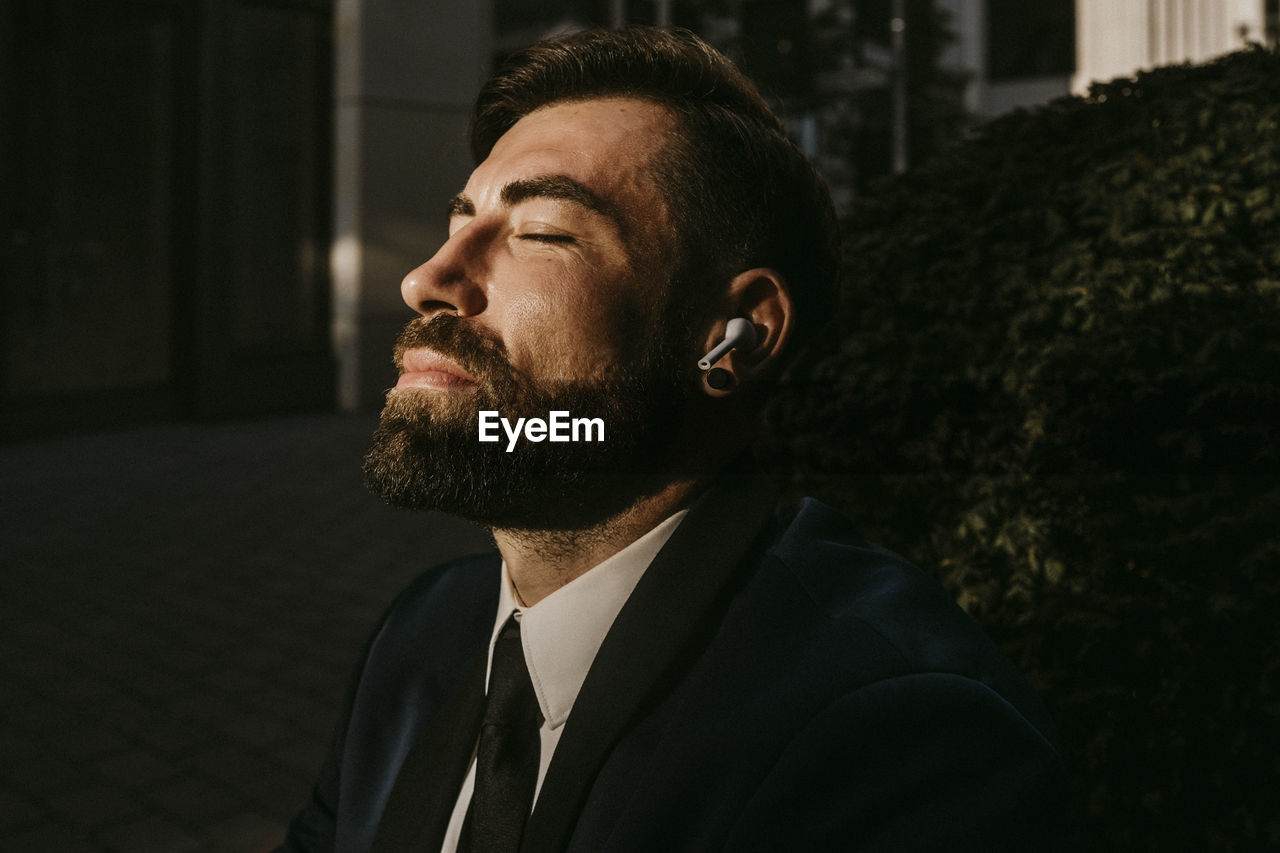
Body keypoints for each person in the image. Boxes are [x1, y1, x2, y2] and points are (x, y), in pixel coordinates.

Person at [280, 26, 1066, 853]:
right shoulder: (424, 630)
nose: (426, 278)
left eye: (542, 232)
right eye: (461, 219)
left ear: (733, 338)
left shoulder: (893, 735)